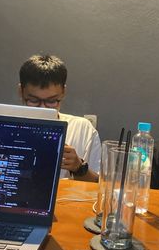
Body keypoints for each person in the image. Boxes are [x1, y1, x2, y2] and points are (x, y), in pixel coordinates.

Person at [18, 54, 101, 182]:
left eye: (51, 101)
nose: (43, 108)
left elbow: (99, 185)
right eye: (34, 100)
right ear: (21, 92)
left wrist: (79, 168)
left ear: (63, 92)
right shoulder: (3, 127)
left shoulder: (82, 129)